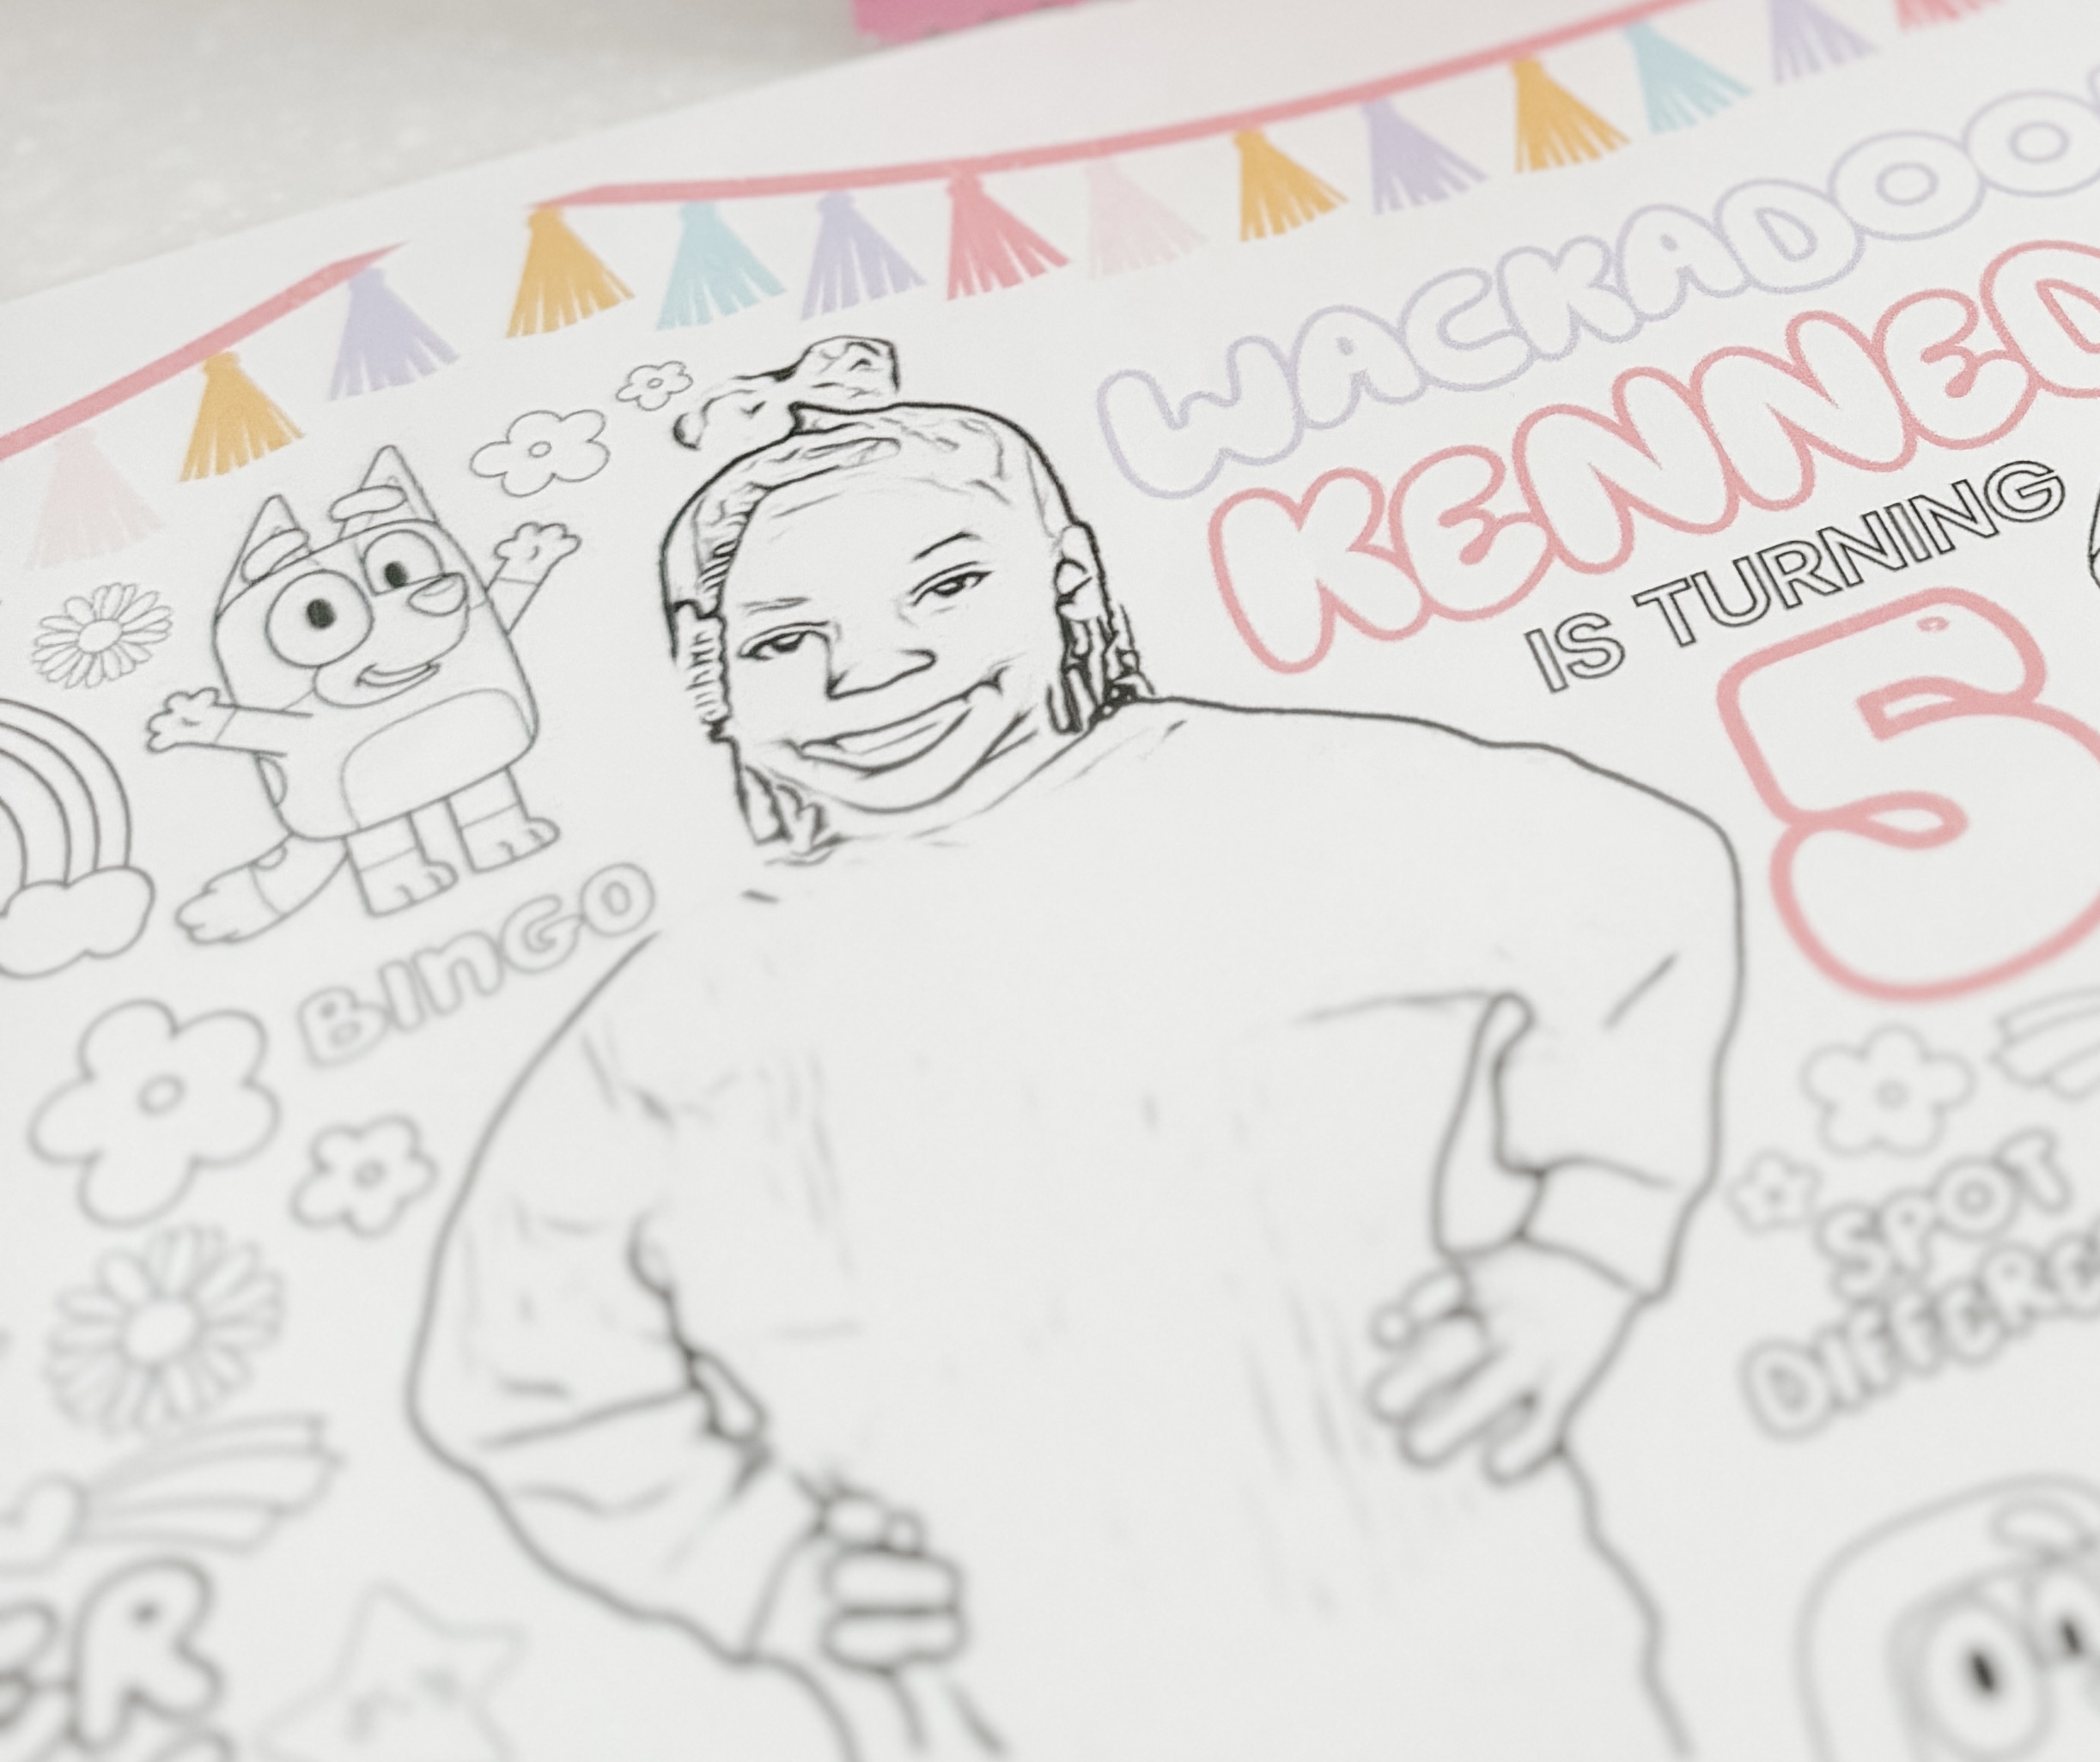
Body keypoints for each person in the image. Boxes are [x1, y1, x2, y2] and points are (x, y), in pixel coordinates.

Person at [412, 337, 1740, 1759]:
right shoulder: (698, 1007)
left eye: (945, 588)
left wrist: (1589, 1247)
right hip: (1027, 1694)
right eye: (785, 641)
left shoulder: (1272, 802)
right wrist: (747, 1563)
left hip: (1468, 1629)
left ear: (1069, 584)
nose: (876, 668)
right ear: (712, 689)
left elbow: (1635, 884)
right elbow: (516, 1356)